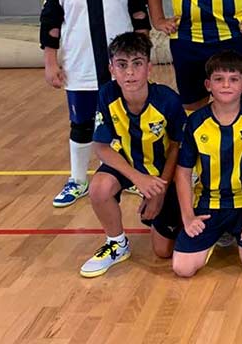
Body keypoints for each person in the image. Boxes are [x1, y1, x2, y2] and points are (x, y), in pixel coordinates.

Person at [40, 0, 150, 208]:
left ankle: (130, 176)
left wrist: (140, 60)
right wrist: (51, 63)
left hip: (122, 71)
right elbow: (50, 24)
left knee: (128, 122)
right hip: (80, 68)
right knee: (82, 124)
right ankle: (77, 179)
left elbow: (140, 17)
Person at [79, 32, 185, 277]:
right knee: (99, 187)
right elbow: (102, 147)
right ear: (111, 69)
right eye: (122, 65)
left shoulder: (168, 100)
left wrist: (159, 191)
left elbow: (176, 147)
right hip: (129, 165)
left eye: (137, 64)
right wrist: (138, 179)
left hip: (162, 172)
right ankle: (117, 243)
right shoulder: (107, 95)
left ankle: (181, 218)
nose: (129, 73)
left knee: (163, 251)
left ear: (148, 68)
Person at [171, 51, 242, 277]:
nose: (226, 85)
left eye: (234, 79)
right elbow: (182, 173)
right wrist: (188, 217)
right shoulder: (196, 122)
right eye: (219, 79)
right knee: (182, 268)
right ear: (208, 85)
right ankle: (220, 234)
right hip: (210, 204)